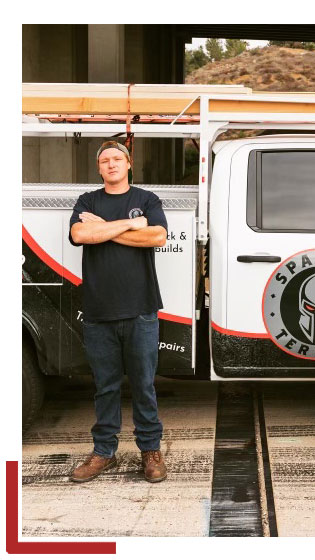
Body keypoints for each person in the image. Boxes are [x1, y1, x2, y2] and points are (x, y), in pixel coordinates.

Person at [68, 140, 168, 483]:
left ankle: (151, 452)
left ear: (128, 164)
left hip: (141, 309)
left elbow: (157, 237)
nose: (111, 164)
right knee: (105, 386)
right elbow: (80, 234)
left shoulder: (146, 200)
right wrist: (129, 225)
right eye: (105, 160)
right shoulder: (87, 201)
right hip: (98, 311)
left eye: (117, 159)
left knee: (143, 384)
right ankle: (103, 453)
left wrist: (105, 228)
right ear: (99, 168)